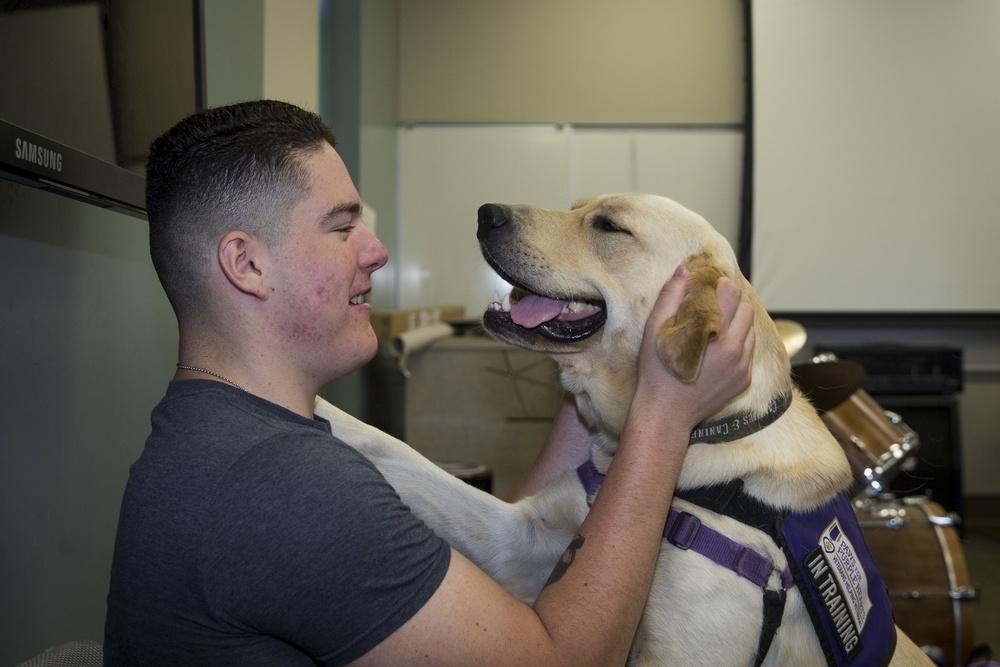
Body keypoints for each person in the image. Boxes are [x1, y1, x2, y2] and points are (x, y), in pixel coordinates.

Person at [103, 99, 754, 666]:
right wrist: (663, 418)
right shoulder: (284, 485)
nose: (377, 249)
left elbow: (500, 574)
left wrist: (588, 347)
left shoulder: (219, 435)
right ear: (246, 264)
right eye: (342, 225)